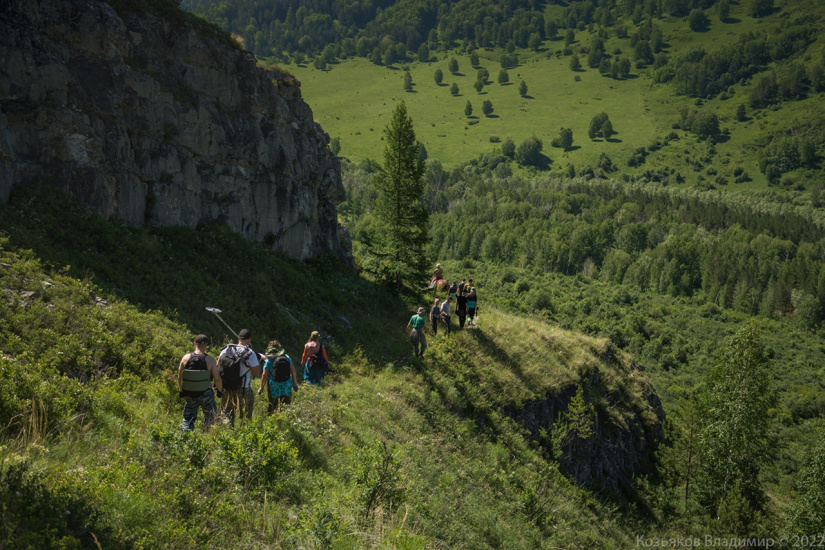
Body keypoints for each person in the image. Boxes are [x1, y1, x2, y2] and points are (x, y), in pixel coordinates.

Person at [178, 334, 223, 431]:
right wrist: (219, 391)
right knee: (210, 414)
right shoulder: (210, 360)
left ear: (195, 344)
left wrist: (181, 391)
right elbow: (217, 379)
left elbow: (179, 377)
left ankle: (186, 434)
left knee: (188, 416)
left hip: (189, 392)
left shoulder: (185, 358)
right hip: (205, 393)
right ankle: (206, 433)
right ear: (206, 345)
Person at [218, 328, 260, 426]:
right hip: (243, 388)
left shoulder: (225, 350)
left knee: (227, 412)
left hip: (227, 387)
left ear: (238, 338)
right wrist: (259, 361)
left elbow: (218, 365)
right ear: (249, 340)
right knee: (246, 414)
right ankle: (244, 434)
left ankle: (227, 432)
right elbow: (256, 372)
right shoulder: (250, 353)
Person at [258, 340, 299, 414]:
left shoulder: (269, 360)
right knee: (286, 405)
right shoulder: (286, 357)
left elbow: (264, 375)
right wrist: (295, 383)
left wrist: (261, 387)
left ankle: (272, 420)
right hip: (286, 384)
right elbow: (293, 371)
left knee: (273, 404)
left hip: (273, 385)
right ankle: (285, 420)